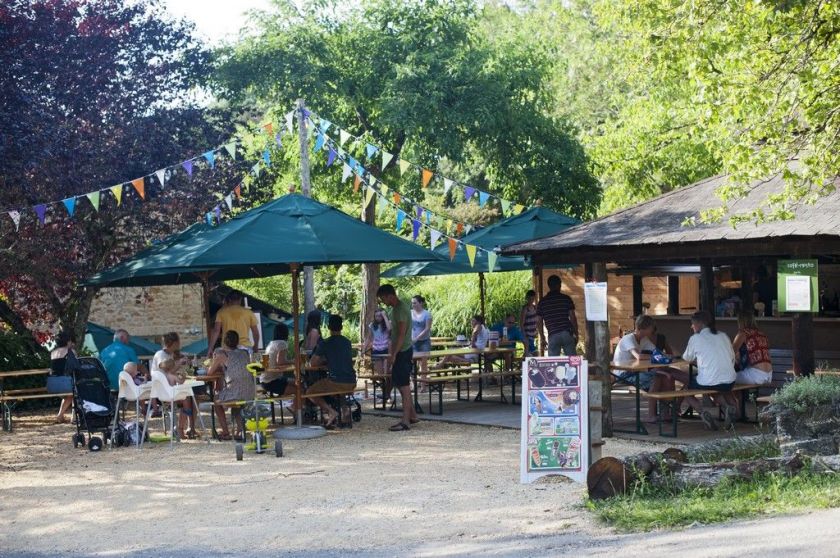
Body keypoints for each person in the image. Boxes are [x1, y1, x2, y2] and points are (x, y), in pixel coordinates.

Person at [671, 311, 739, 431]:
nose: (691, 327)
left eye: (693, 324)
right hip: (730, 380)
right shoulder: (723, 335)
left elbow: (686, 358)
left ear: (700, 324)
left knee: (686, 390)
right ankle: (728, 407)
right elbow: (732, 357)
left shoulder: (695, 338)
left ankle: (702, 413)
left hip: (709, 380)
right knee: (715, 388)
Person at [612, 315, 675, 423]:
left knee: (666, 377)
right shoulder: (628, 339)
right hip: (623, 373)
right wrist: (659, 357)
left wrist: (665, 355)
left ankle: (665, 413)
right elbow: (639, 356)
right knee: (657, 377)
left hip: (636, 371)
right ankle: (651, 415)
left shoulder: (644, 339)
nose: (653, 330)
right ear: (644, 328)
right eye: (651, 328)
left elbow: (657, 352)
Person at [377, 283, 418, 431]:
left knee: (404, 386)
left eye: (383, 298)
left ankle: (405, 421)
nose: (383, 302)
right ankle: (412, 415)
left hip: (403, 351)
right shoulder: (395, 309)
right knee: (399, 383)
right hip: (401, 350)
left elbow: (401, 333)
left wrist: (393, 354)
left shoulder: (400, 309)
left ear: (390, 296)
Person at [308, 315, 357, 429]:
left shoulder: (325, 343)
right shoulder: (347, 342)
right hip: (351, 381)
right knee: (339, 390)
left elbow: (312, 363)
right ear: (341, 327)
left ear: (329, 327)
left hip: (336, 381)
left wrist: (324, 361)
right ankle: (345, 411)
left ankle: (331, 411)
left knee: (310, 392)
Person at [209, 330, 255, 441]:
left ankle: (225, 431)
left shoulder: (221, 354)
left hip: (236, 392)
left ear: (224, 342)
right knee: (238, 402)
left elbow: (210, 372)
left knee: (216, 400)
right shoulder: (245, 353)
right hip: (250, 392)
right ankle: (239, 429)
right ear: (237, 341)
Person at [151, 332, 195, 438]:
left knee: (191, 398)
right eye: (179, 341)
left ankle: (188, 428)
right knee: (187, 398)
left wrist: (180, 364)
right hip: (163, 392)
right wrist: (179, 364)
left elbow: (170, 372)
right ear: (174, 343)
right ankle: (180, 429)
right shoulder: (161, 355)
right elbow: (167, 370)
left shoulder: (168, 354)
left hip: (168, 389)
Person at [207, 290, 260, 358]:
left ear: (229, 299)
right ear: (240, 299)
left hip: (227, 349)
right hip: (245, 348)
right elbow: (255, 332)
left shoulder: (221, 312)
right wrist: (256, 346)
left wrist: (210, 348)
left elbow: (216, 331)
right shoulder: (249, 312)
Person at [536, 275, 578, 356]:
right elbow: (573, 317)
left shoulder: (542, 302)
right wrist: (576, 333)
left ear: (549, 286)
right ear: (559, 285)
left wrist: (542, 337)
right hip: (567, 333)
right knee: (572, 362)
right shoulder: (566, 299)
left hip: (553, 334)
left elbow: (538, 320)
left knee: (553, 364)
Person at [732, 311, 773, 385]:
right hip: (769, 375)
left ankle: (737, 397)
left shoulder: (743, 334)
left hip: (755, 375)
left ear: (740, 321)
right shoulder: (762, 334)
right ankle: (740, 397)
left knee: (727, 379)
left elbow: (731, 353)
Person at [50, 329, 77, 423]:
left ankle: (62, 416)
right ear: (67, 341)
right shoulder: (70, 351)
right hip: (64, 382)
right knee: (74, 391)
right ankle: (68, 417)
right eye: (70, 340)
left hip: (52, 383)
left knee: (69, 395)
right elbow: (76, 367)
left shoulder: (53, 352)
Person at [260, 323, 293, 397]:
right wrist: (295, 361)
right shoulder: (282, 343)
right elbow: (281, 362)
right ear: (286, 333)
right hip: (271, 381)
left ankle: (295, 406)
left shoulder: (271, 343)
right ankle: (297, 407)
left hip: (265, 379)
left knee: (298, 383)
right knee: (300, 389)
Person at [362, 308, 391, 379]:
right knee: (380, 374)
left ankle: (387, 387)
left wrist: (384, 316)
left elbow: (389, 328)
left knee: (386, 373)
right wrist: (364, 349)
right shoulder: (372, 325)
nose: (378, 318)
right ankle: (384, 388)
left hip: (386, 349)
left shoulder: (388, 323)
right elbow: (369, 338)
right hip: (376, 350)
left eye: (380, 316)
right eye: (376, 316)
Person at [410, 295, 433, 377]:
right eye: (412, 303)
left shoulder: (427, 314)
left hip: (424, 342)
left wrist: (417, 338)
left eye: (415, 303)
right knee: (412, 363)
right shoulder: (410, 313)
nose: (413, 305)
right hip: (412, 342)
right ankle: (413, 383)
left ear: (421, 303)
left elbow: (427, 328)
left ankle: (423, 384)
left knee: (423, 363)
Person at [520, 290, 540, 356]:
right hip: (527, 334)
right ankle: (522, 365)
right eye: (530, 298)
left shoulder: (535, 308)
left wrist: (537, 331)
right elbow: (521, 323)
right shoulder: (525, 309)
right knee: (534, 353)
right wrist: (524, 335)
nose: (531, 300)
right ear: (527, 298)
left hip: (533, 334)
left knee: (528, 352)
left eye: (533, 298)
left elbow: (537, 321)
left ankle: (521, 365)